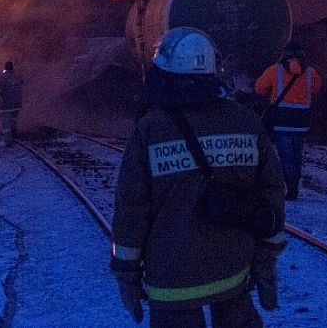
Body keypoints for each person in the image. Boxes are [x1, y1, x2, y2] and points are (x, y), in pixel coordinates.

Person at [110, 27, 286, 327]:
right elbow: (271, 194)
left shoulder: (149, 130)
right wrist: (267, 259)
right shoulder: (245, 122)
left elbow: (131, 210)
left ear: (162, 76)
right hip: (233, 271)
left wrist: (126, 273)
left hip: (171, 279)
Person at [254, 41, 323, 200]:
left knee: (285, 157)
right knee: (296, 155)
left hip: (281, 121)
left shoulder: (274, 71)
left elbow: (259, 88)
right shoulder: (311, 72)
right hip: (301, 123)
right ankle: (294, 186)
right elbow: (316, 89)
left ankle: (290, 189)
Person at [0, 61, 23, 147]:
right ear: (12, 68)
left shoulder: (3, 78)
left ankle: (8, 143)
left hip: (7, 105)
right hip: (17, 104)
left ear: (5, 68)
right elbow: (21, 86)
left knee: (6, 126)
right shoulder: (17, 76)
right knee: (14, 121)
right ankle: (15, 136)